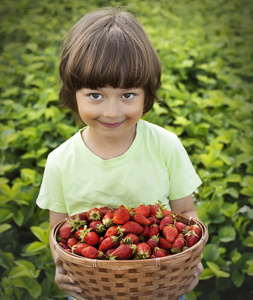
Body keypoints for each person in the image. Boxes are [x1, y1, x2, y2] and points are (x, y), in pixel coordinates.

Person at [36, 8, 203, 300]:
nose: (111, 112)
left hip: (161, 285)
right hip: (90, 289)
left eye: (127, 95)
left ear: (146, 93)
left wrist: (189, 261)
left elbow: (186, 213)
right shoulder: (60, 161)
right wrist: (61, 267)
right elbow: (59, 232)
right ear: (72, 93)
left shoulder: (166, 145)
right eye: (95, 95)